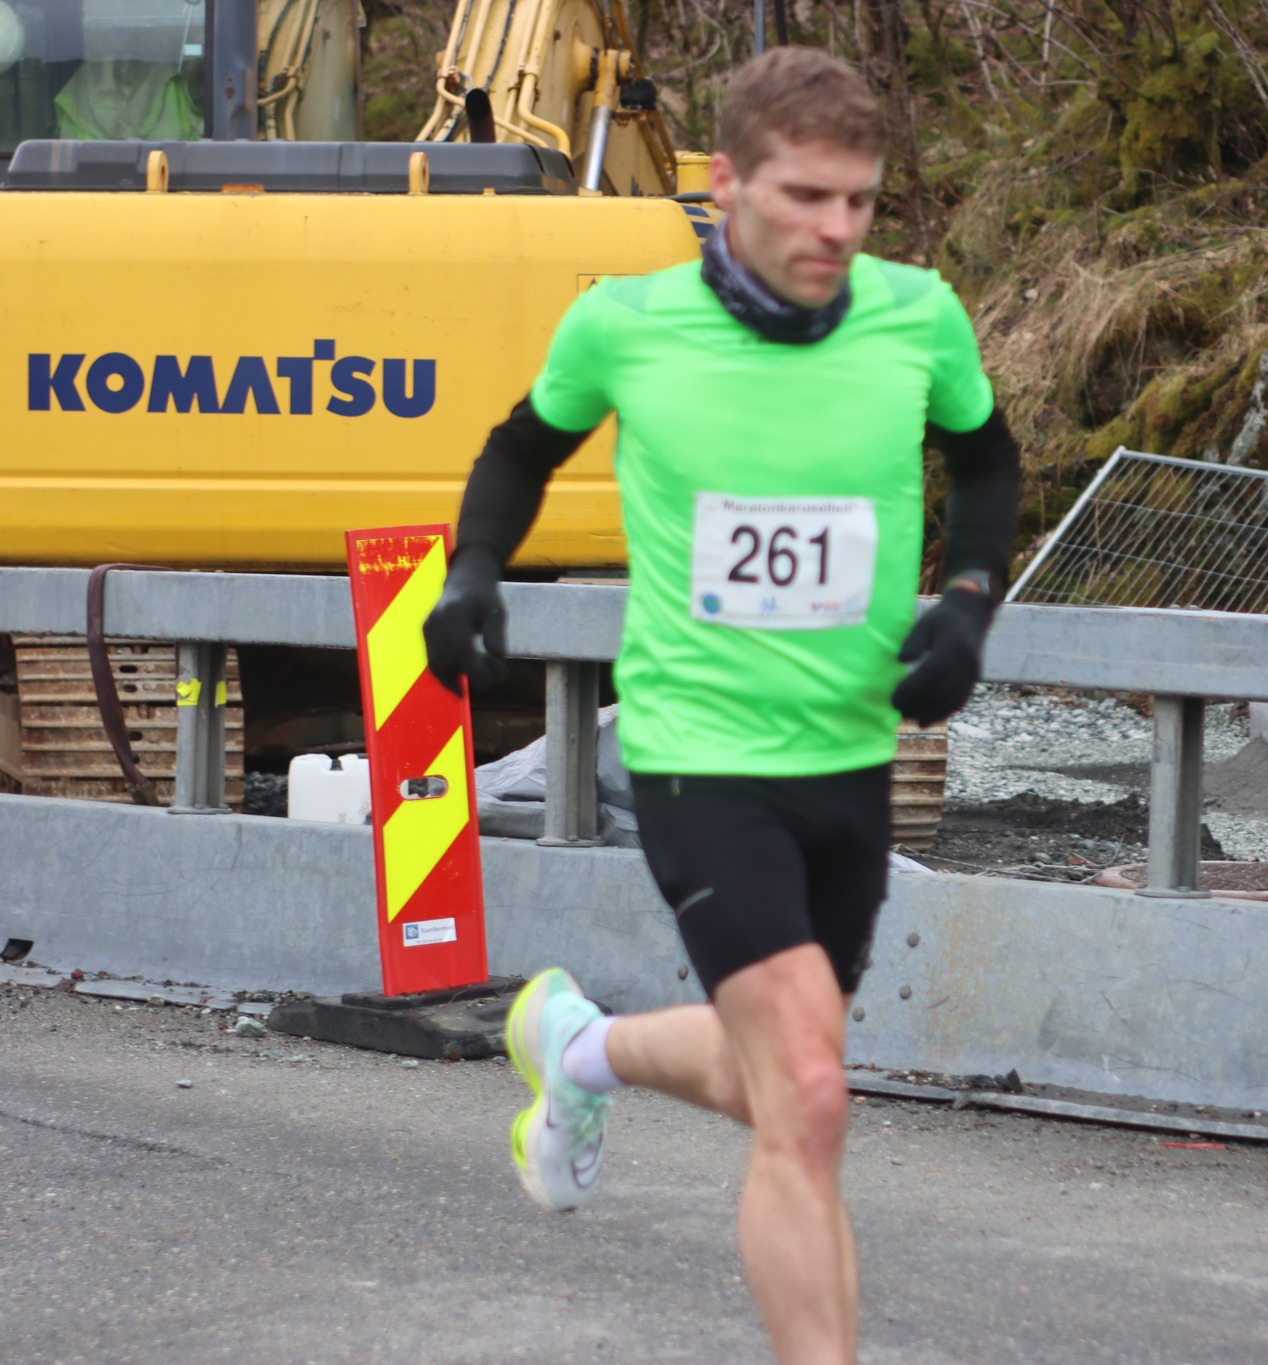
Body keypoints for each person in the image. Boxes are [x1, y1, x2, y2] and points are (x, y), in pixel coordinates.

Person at [421, 47, 1019, 1365]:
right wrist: (473, 572)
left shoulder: (915, 316)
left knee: (778, 1081)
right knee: (809, 1096)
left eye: (859, 201)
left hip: (849, 760)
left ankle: (580, 1046)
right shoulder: (626, 324)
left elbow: (984, 458)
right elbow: (522, 446)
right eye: (806, 196)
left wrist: (969, 600)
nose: (837, 229)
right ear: (728, 185)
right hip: (698, 756)